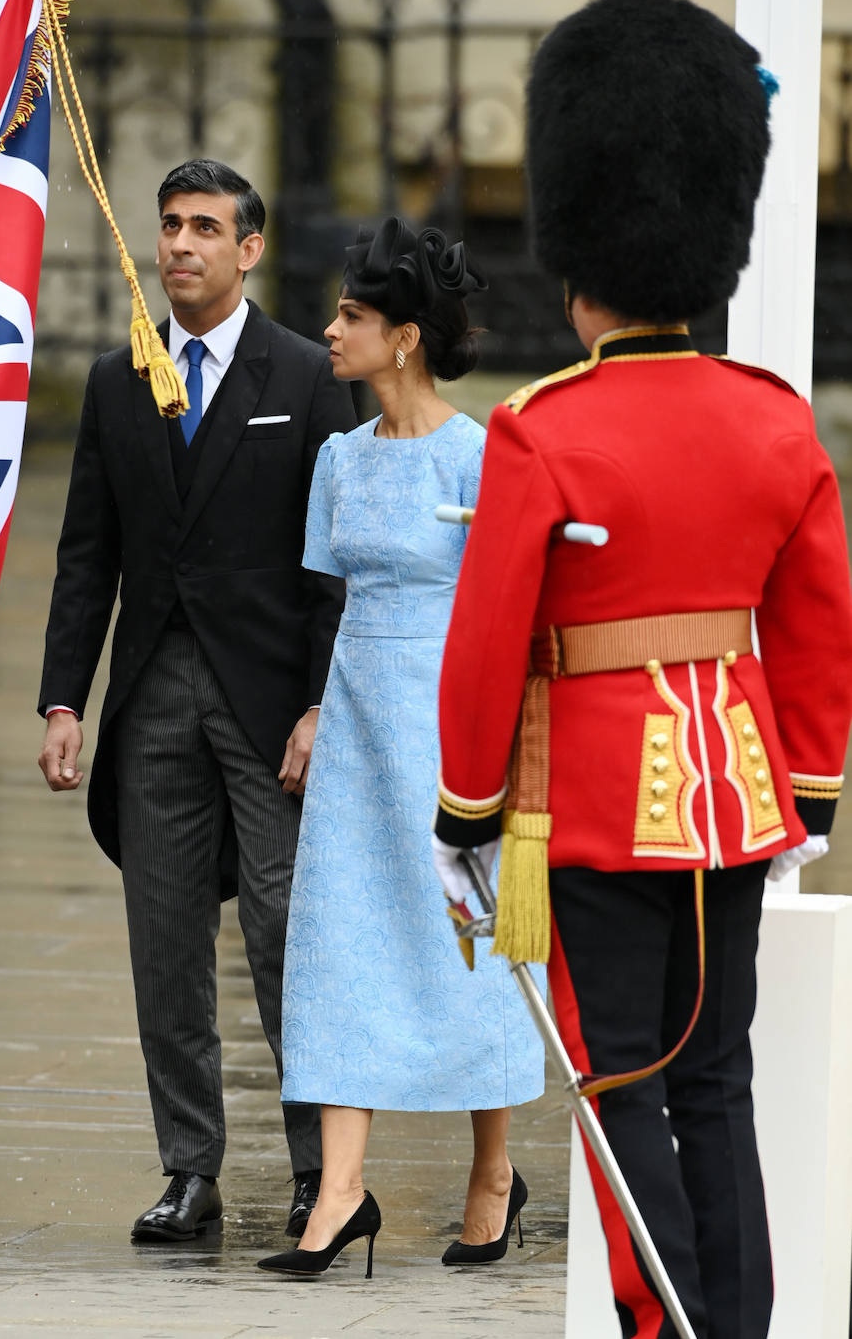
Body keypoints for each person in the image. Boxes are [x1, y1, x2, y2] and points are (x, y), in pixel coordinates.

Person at [431, 0, 852, 1339]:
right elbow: (816, 626)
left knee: (621, 1087)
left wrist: (465, 809)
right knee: (713, 1078)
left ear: (576, 268)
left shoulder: (542, 429)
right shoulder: (774, 421)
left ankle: (663, 1324)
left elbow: (488, 639)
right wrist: (811, 793)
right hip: (734, 797)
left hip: (596, 810)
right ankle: (738, 1318)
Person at [37, 158, 357, 1244]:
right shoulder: (118, 380)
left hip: (271, 708)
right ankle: (191, 1169)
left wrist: (322, 705)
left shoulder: (308, 376)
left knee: (283, 937)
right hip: (153, 700)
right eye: (169, 226)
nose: (179, 245)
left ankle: (323, 1171)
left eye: (204, 228)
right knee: (164, 941)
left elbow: (333, 566)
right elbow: (88, 556)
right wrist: (63, 702)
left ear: (248, 248)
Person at [257, 218, 545, 1281]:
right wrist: (315, 709)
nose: (331, 330)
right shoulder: (337, 460)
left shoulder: (485, 453)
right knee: (341, 941)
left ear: (407, 336)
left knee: (465, 941)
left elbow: (512, 608)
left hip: (455, 722)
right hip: (358, 723)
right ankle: (340, 1194)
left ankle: (493, 1173)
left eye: (353, 316)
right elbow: (329, 601)